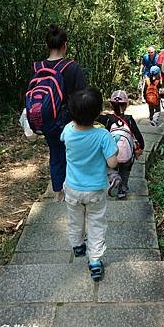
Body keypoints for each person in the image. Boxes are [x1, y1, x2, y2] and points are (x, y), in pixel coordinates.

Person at [61, 87, 118, 281]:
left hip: (72, 188)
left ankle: (77, 245)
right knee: (96, 224)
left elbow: (64, 140)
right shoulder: (103, 136)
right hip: (95, 190)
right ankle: (94, 261)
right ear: (98, 113)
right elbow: (113, 163)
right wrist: (113, 147)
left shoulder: (67, 130)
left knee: (75, 219)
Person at [27, 24, 86, 201]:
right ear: (65, 45)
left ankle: (58, 192)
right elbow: (82, 97)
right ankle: (74, 190)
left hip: (47, 120)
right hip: (69, 120)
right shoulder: (72, 67)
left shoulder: (37, 67)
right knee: (74, 155)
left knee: (55, 153)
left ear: (48, 44)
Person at [97, 90, 144, 200]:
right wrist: (140, 147)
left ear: (111, 105)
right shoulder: (130, 120)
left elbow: (93, 117)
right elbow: (139, 139)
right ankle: (122, 190)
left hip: (112, 154)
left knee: (109, 166)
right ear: (126, 105)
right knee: (125, 171)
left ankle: (113, 177)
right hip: (127, 155)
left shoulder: (107, 119)